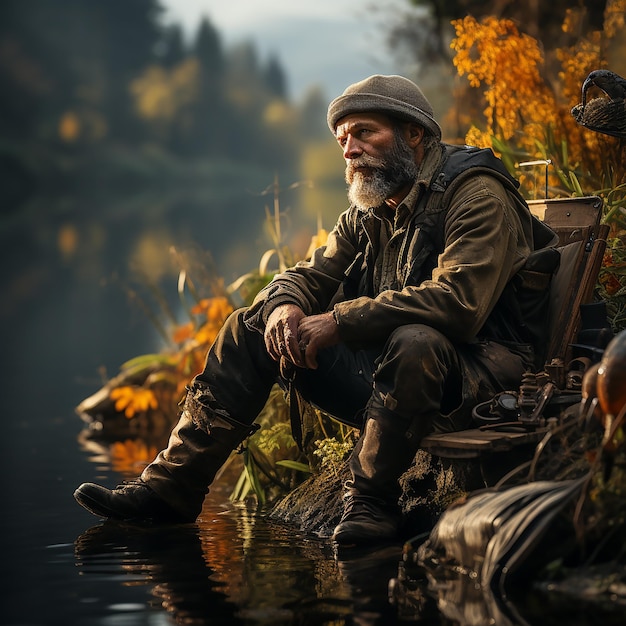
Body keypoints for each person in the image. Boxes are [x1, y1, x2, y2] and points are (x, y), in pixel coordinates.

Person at [74, 74, 558, 547]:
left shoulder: (475, 192)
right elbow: (309, 273)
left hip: (485, 377)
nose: (350, 150)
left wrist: (340, 321)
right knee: (250, 326)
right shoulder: (372, 207)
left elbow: (459, 304)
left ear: (415, 134)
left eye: (365, 132)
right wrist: (285, 305)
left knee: (416, 342)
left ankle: (371, 502)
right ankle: (170, 489)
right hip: (399, 379)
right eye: (343, 139)